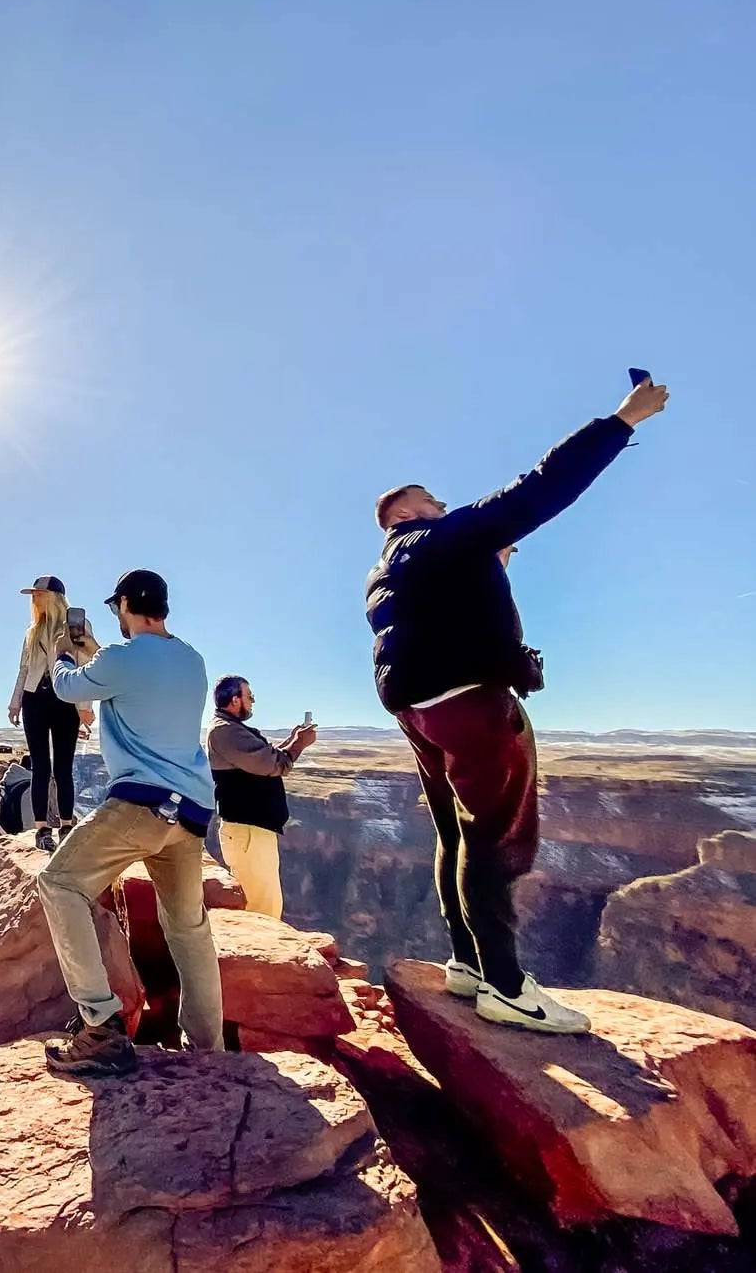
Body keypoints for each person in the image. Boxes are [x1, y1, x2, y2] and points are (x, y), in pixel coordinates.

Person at [365, 376, 669, 1034]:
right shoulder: (427, 540)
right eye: (432, 500)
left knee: (455, 832)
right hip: (468, 704)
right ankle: (505, 987)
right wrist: (620, 421)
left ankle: (468, 963)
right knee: (493, 837)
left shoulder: (391, 569)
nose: (443, 505)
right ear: (403, 514)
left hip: (416, 707)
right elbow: (531, 491)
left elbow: (442, 608)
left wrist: (487, 565)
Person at [36, 568, 224, 1074]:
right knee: (188, 927)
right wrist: (98, 651)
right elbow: (137, 676)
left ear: (124, 604)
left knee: (59, 884)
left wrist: (63, 653)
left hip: (142, 804)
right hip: (190, 812)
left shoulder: (122, 659)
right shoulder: (192, 659)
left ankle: (101, 1026)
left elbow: (68, 688)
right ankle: (208, 1050)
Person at [206, 677, 316, 919]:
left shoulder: (229, 728)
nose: (253, 701)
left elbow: (263, 756)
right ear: (235, 700)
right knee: (262, 906)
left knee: (263, 899)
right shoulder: (225, 731)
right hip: (248, 832)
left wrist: (292, 740)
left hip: (251, 831)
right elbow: (273, 763)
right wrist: (299, 745)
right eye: (250, 696)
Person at [8, 576, 97, 851]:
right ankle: (42, 829)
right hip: (35, 699)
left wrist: (84, 707)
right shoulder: (33, 631)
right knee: (40, 766)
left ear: (54, 597)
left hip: (65, 699)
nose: (35, 599)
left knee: (63, 767)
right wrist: (15, 703)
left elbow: (85, 665)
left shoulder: (76, 625)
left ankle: (66, 825)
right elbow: (24, 669)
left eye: (39, 594)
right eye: (33, 595)